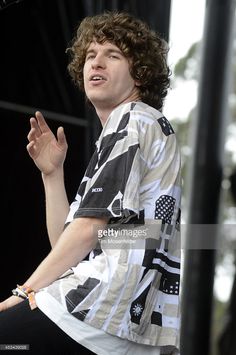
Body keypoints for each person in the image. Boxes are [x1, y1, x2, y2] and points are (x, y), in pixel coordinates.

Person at [0, 11, 181, 355]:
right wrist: (52, 175)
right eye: (90, 55)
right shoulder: (143, 128)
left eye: (112, 55)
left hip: (99, 310)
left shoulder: (132, 119)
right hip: (125, 328)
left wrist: (25, 291)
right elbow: (74, 246)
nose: (96, 62)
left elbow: (87, 231)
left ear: (140, 74)